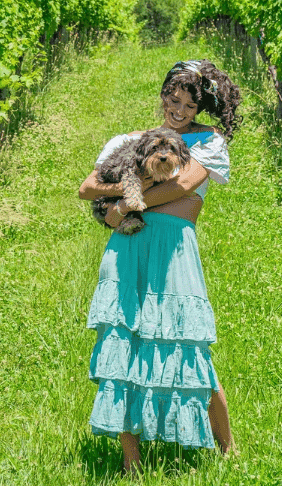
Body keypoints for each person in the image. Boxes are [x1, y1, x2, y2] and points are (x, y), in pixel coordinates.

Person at [78, 58, 241, 475]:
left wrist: (124, 203)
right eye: (173, 99)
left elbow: (183, 187)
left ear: (200, 106)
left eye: (189, 103)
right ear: (162, 96)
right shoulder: (131, 139)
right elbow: (86, 187)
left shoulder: (209, 141)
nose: (179, 110)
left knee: (187, 344)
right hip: (129, 246)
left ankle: (228, 451)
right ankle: (132, 462)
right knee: (126, 340)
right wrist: (117, 203)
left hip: (173, 249)